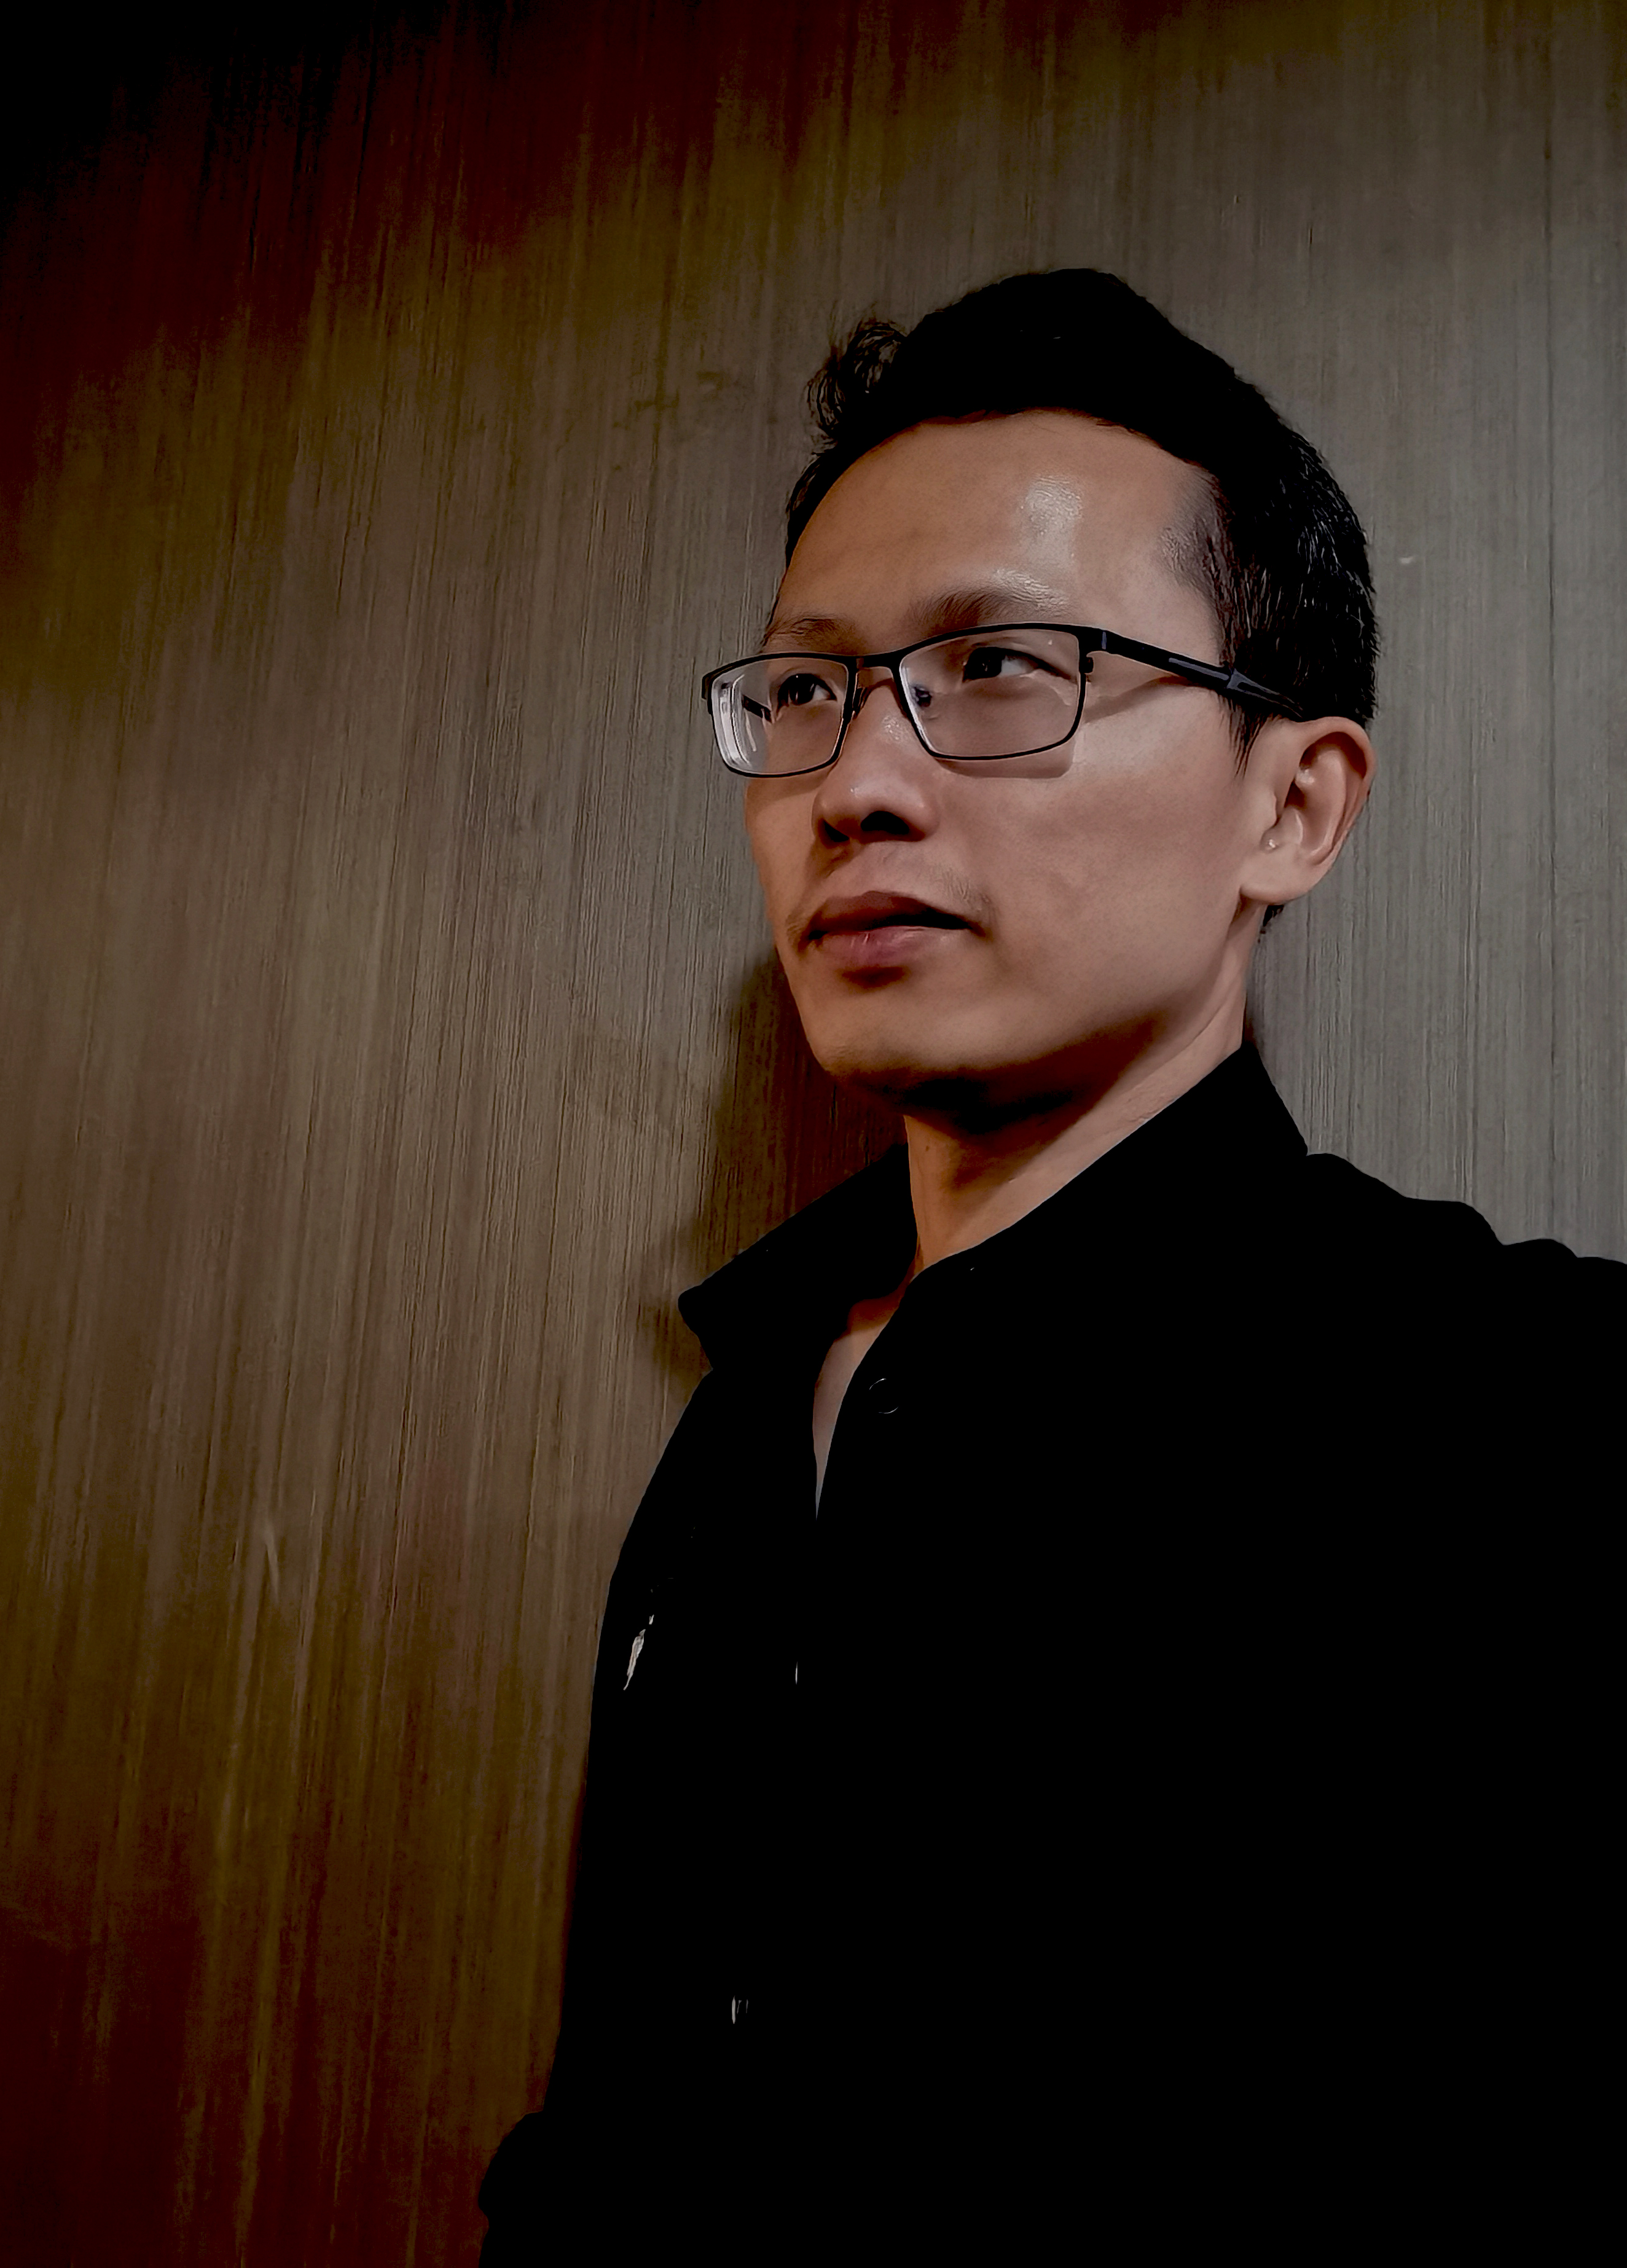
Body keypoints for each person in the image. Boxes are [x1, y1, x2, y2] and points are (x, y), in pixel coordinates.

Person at [479, 270, 1621, 2263]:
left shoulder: (1523, 1404)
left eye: (1000, 669)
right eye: (807, 693)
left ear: (1293, 803)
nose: (854, 786)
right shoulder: (743, 1424)